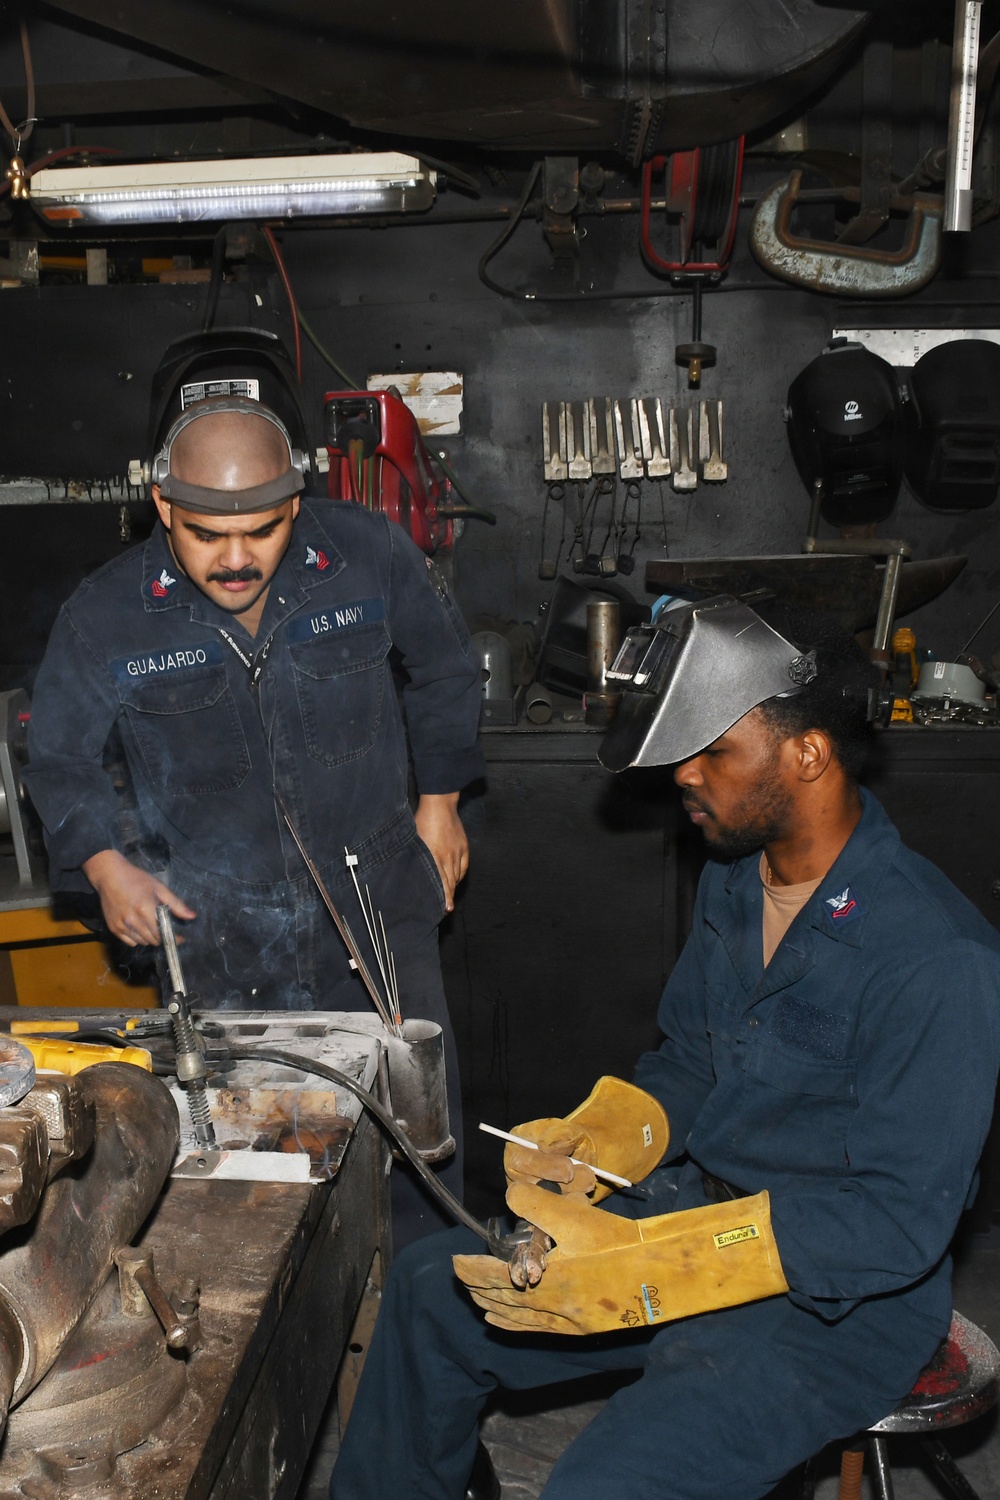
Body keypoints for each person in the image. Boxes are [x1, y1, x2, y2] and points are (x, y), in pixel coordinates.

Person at [329, 594, 1000, 1500]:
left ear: (808, 754)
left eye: (713, 750)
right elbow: (691, 1061)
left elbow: (893, 1224)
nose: (685, 773)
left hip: (831, 1305)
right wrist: (607, 1137)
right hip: (696, 1216)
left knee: (607, 1485)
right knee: (427, 1291)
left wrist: (656, 1265)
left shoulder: (936, 960)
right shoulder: (735, 879)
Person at [23, 394, 484, 1242]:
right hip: (220, 933)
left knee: (420, 1143)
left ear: (295, 504)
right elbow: (56, 756)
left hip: (378, 899)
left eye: (262, 531)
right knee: (252, 1165)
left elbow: (447, 669)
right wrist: (104, 864)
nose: (236, 559)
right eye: (207, 535)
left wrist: (441, 804)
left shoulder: (368, 555)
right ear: (164, 506)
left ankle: (427, 1300)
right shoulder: (106, 614)